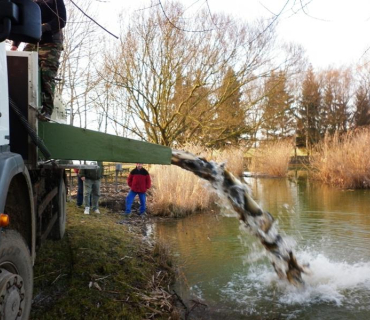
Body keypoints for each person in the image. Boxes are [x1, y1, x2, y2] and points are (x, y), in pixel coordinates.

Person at [10, 0, 67, 121]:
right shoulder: (30, 2)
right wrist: (15, 44)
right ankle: (16, 102)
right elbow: (23, 22)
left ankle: (47, 109)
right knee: (19, 67)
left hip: (51, 42)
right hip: (33, 41)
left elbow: (61, 20)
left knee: (46, 73)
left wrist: (44, 27)